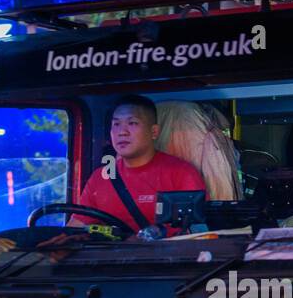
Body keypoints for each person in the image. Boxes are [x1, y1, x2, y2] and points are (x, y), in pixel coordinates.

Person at [71, 95, 208, 233]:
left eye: (132, 123)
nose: (122, 132)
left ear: (154, 132)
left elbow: (198, 233)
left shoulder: (181, 173)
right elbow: (75, 228)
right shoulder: (101, 177)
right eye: (116, 124)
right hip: (110, 254)